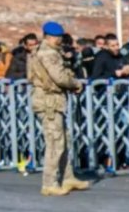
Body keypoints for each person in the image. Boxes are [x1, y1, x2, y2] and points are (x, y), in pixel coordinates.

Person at [27, 21, 89, 197]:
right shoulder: (48, 53)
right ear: (49, 36)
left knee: (63, 139)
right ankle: (49, 183)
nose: (60, 40)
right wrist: (75, 83)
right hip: (49, 101)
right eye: (57, 37)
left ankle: (67, 177)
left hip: (52, 100)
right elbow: (59, 77)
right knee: (55, 142)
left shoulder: (45, 51)